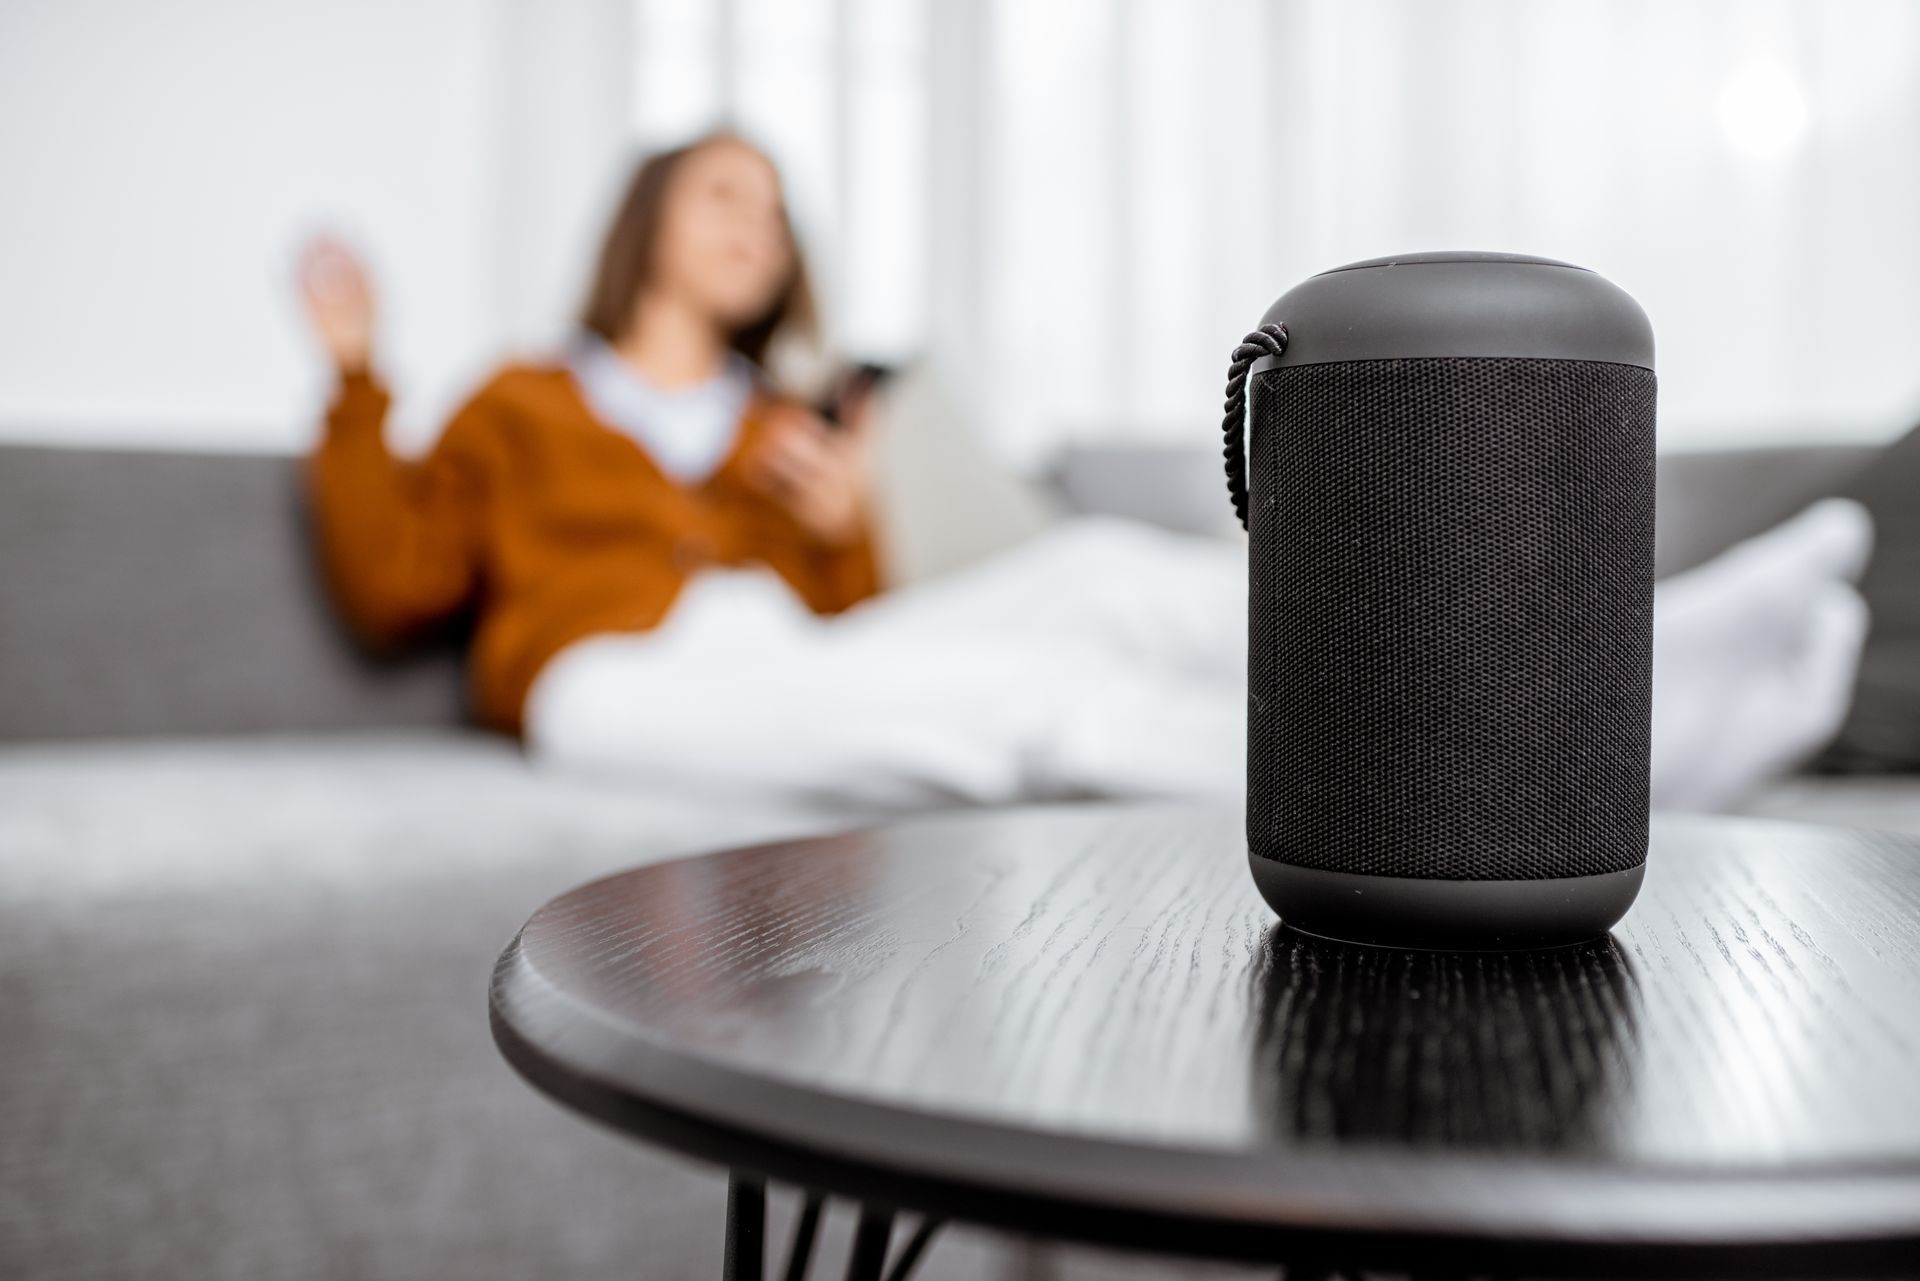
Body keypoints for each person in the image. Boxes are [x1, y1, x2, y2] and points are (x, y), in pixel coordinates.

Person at [299, 130, 1871, 815]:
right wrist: (358, 371)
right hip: (605, 684)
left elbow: (839, 628)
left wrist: (842, 526)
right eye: (723, 196)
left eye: (773, 212)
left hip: (780, 652)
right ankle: (1521, 783)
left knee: (1103, 572)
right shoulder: (521, 396)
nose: (754, 228)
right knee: (1035, 706)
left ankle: (1612, 658)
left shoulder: (780, 420)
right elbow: (390, 582)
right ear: (646, 217)